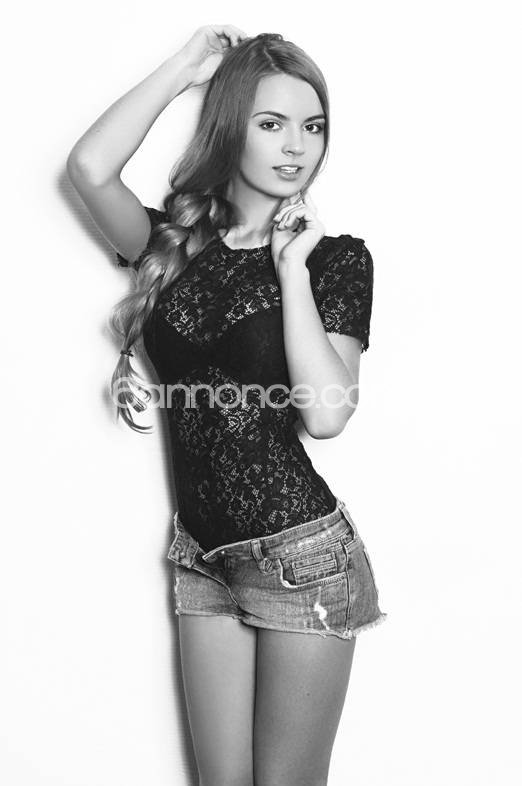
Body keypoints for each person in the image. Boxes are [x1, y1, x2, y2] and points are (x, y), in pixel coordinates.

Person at [67, 24, 388, 786]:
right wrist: (186, 66)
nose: (296, 146)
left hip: (303, 559)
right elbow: (89, 167)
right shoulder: (173, 246)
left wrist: (292, 270)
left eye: (313, 126)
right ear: (231, 126)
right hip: (200, 557)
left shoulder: (336, 259)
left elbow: (327, 414)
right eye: (272, 123)